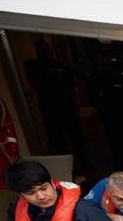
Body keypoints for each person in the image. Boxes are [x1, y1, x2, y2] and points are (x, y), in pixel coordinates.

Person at [23, 41, 90, 171]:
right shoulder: (33, 66)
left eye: (49, 49)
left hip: (66, 106)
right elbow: (38, 80)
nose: (48, 52)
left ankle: (84, 162)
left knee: (76, 137)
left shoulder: (59, 65)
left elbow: (72, 82)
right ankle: (66, 167)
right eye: (44, 50)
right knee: (58, 141)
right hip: (50, 109)